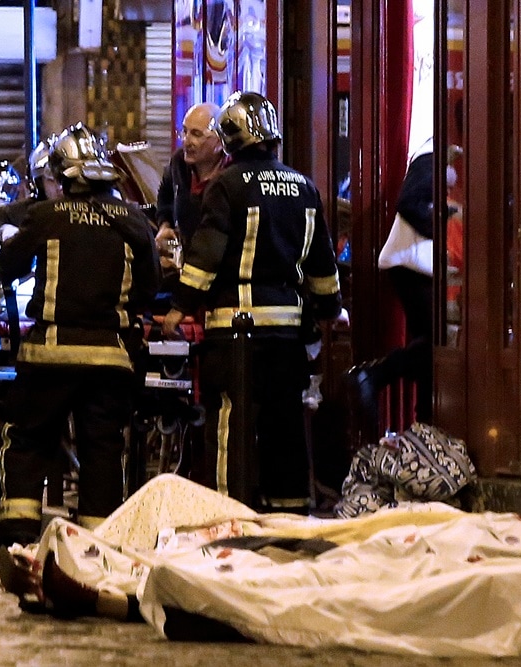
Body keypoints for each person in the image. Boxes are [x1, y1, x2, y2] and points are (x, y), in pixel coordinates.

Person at [161, 91, 342, 512]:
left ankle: (229, 513)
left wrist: (179, 308)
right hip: (289, 334)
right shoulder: (304, 186)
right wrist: (330, 311)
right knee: (285, 424)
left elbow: (205, 258)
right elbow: (322, 264)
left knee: (231, 423)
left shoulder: (226, 186)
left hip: (236, 333)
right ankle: (290, 513)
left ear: (228, 141)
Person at [0, 123, 160, 550]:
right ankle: (97, 544)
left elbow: (7, 267)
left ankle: (18, 535)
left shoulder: (45, 216)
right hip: (110, 359)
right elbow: (149, 286)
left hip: (49, 355)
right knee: (102, 447)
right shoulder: (133, 220)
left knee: (27, 438)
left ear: (63, 174)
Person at [346, 148, 455, 434]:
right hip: (412, 266)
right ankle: (376, 374)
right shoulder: (432, 156)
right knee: (435, 344)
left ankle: (423, 423)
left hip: (415, 267)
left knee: (430, 345)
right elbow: (408, 202)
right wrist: (444, 221)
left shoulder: (435, 157)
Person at [154, 102, 224, 268]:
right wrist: (164, 225)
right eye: (184, 131)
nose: (186, 141)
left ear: (219, 142)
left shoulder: (233, 173)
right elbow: (165, 196)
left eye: (196, 134)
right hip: (187, 267)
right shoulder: (179, 162)